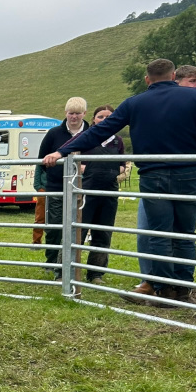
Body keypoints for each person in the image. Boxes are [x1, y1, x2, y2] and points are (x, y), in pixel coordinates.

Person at [45, 59, 196, 302]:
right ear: (173, 76)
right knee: (185, 232)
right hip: (189, 173)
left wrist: (62, 151)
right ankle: (182, 289)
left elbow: (98, 132)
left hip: (153, 174)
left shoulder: (134, 103)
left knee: (159, 233)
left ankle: (163, 289)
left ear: (147, 79)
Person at [37, 97, 89, 278]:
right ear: (65, 113)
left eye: (77, 113)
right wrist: (54, 165)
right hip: (57, 186)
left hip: (83, 187)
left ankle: (71, 263)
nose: (74, 117)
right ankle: (51, 261)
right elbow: (42, 159)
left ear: (84, 114)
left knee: (78, 225)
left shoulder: (92, 133)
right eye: (70, 113)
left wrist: (86, 167)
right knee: (54, 226)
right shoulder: (53, 134)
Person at [76, 104, 125, 285]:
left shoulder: (117, 141)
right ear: (93, 120)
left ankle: (96, 274)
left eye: (108, 117)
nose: (104, 120)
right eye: (100, 117)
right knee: (79, 231)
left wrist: (112, 171)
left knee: (103, 233)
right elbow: (75, 160)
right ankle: (71, 269)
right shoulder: (86, 137)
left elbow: (122, 165)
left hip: (109, 191)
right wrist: (92, 169)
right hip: (86, 190)